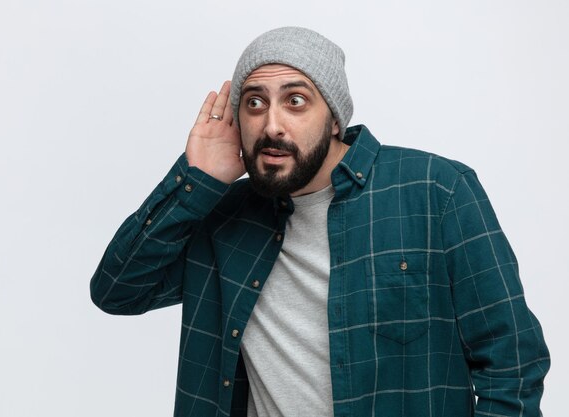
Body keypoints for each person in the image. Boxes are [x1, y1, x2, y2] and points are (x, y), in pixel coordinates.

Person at [90, 27, 550, 417]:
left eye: (295, 101)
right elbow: (118, 290)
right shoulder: (223, 214)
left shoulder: (436, 189)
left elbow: (512, 362)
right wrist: (197, 180)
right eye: (254, 103)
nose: (272, 125)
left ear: (333, 117)